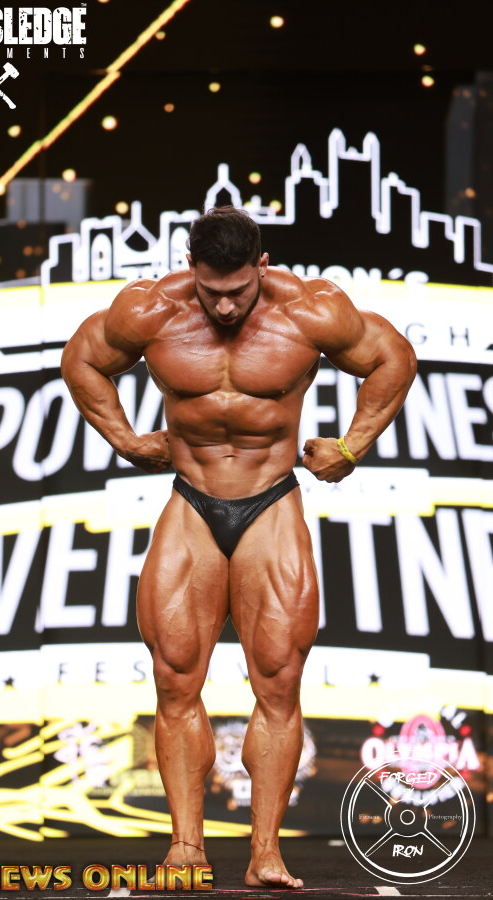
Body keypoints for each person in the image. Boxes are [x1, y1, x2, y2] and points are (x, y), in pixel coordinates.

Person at [61, 206, 417, 888]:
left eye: (238, 290)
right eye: (211, 290)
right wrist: (125, 439)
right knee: (175, 676)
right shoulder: (151, 310)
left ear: (262, 266)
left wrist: (351, 447)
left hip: (270, 500)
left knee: (278, 680)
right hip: (191, 501)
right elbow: (82, 359)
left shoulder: (311, 310)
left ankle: (265, 854)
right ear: (191, 269)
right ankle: (186, 849)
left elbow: (392, 357)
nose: (224, 306)